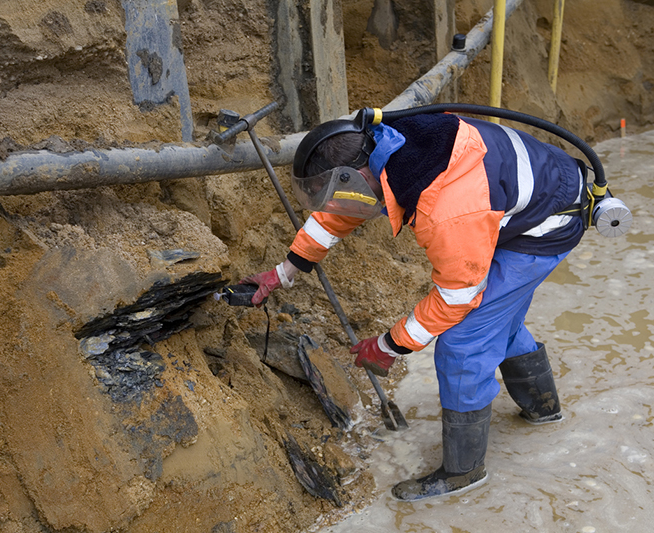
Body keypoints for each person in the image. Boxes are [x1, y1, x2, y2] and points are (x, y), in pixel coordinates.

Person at [240, 108, 586, 501]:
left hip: (547, 223)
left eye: (339, 194)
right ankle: (544, 413)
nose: (340, 204)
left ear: (358, 177)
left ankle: (464, 473)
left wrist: (389, 345)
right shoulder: (387, 148)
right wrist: (284, 271)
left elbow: (456, 297)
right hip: (523, 197)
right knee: (495, 320)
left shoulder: (447, 209)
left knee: (463, 343)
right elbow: (342, 212)